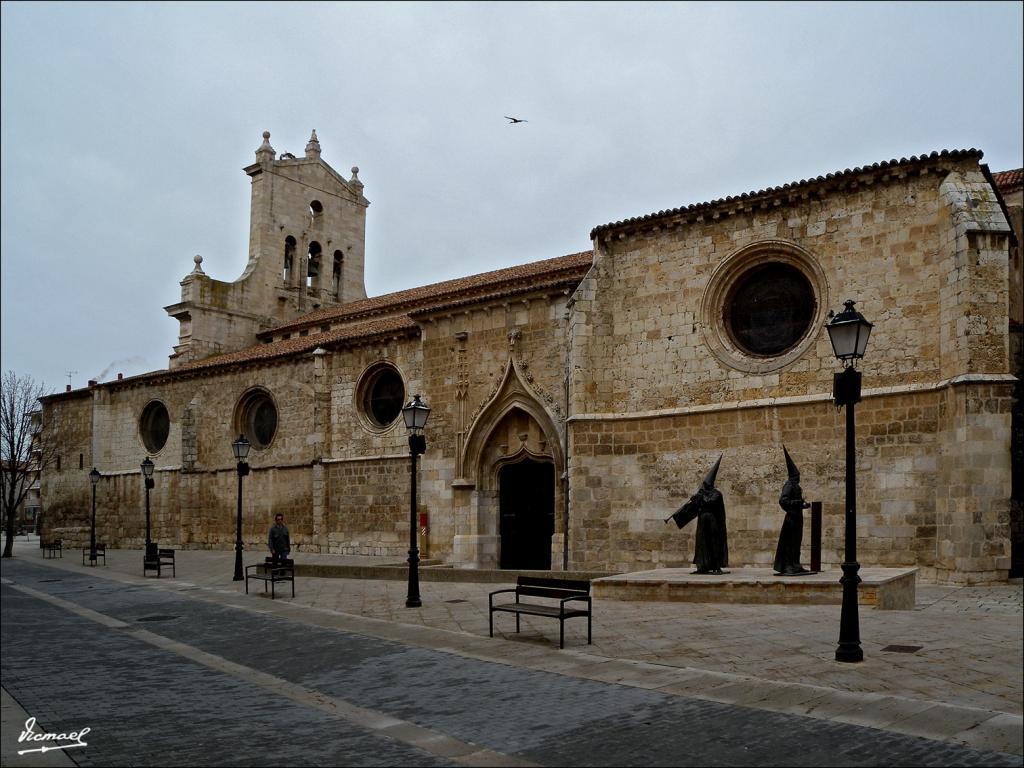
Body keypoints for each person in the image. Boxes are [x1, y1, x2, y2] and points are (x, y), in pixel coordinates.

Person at [666, 454, 729, 574]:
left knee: (713, 542)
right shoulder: (702, 494)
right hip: (702, 520)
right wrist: (694, 499)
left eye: (706, 484)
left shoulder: (716, 494)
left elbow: (710, 501)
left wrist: (700, 496)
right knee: (702, 543)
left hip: (712, 520)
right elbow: (694, 507)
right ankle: (702, 566)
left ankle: (716, 566)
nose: (704, 485)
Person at [773, 446, 811, 575]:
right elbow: (783, 500)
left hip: (797, 517)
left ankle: (796, 564)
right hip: (791, 518)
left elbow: (795, 502)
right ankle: (788, 565)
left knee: (796, 542)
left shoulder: (796, 486)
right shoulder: (789, 485)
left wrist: (804, 505)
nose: (798, 476)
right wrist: (798, 503)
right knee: (789, 543)